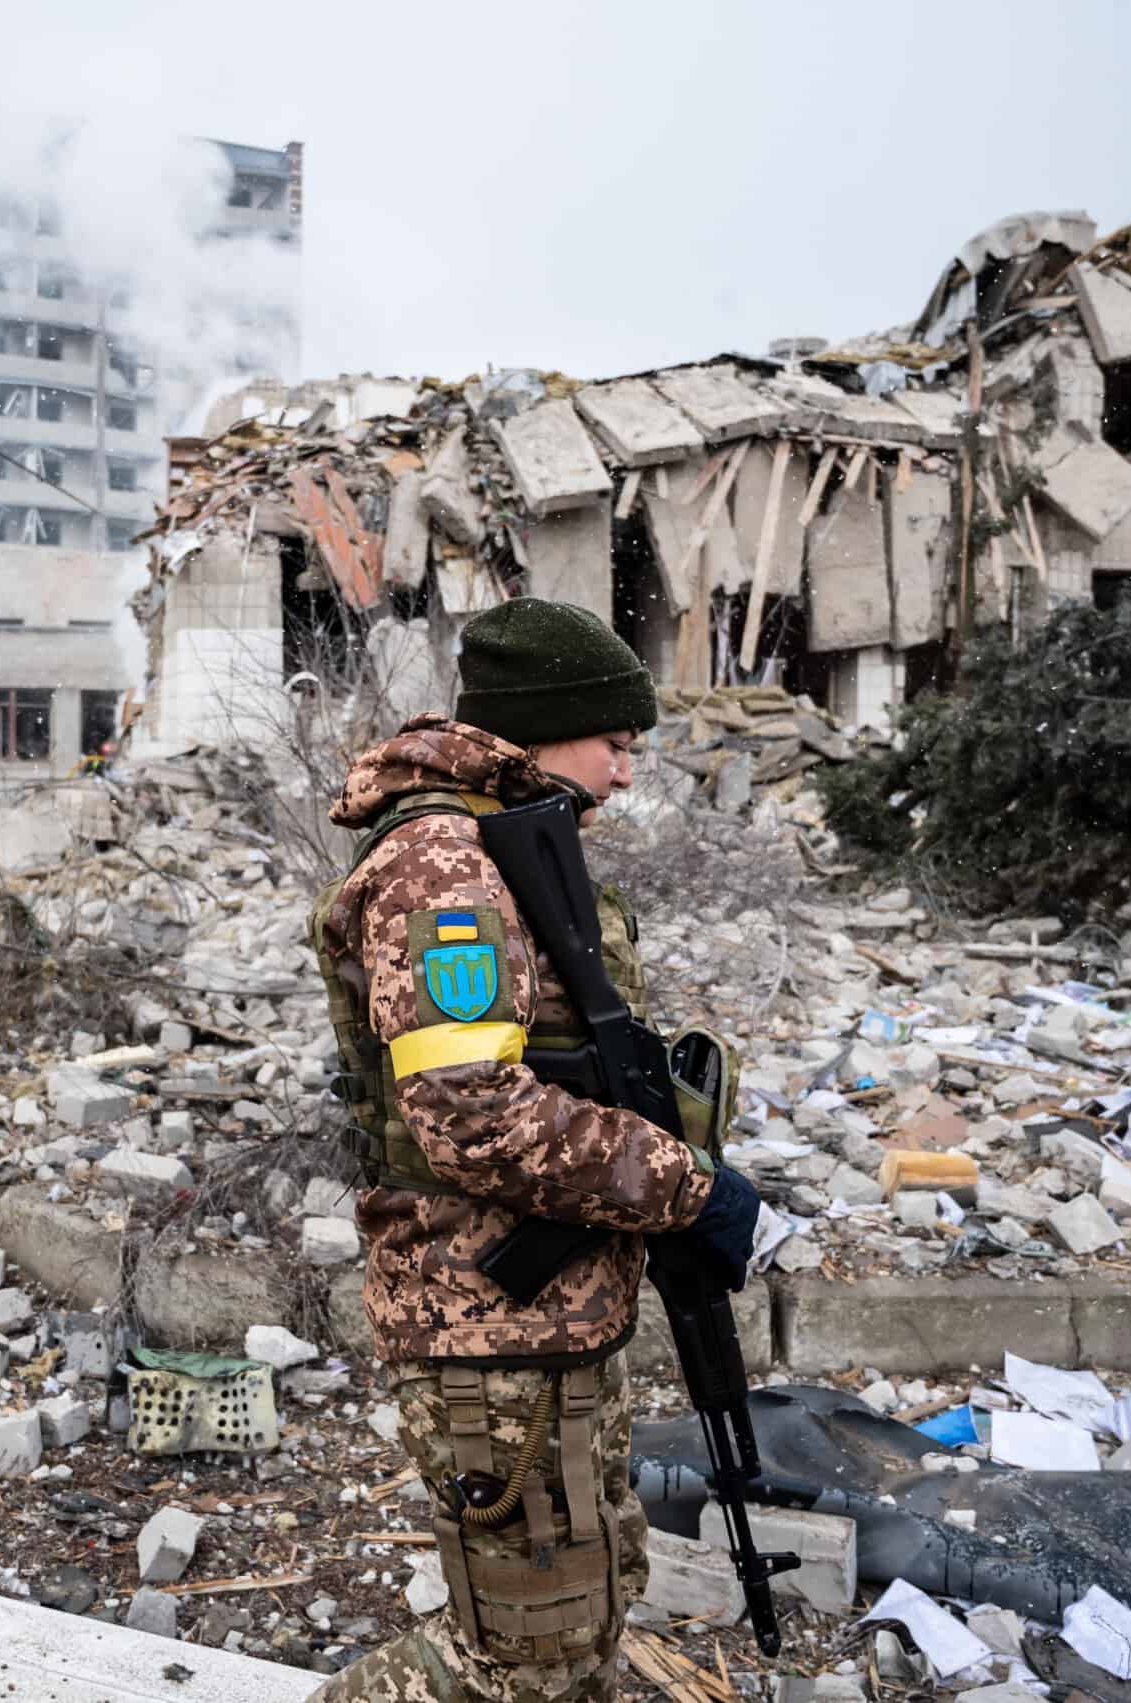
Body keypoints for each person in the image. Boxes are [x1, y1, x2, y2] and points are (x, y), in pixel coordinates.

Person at [308, 601, 761, 1703]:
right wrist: (682, 1186)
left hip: (549, 1317)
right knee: (520, 1658)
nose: (624, 774)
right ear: (544, 729)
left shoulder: (515, 850)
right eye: (615, 743)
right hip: (486, 1323)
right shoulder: (443, 869)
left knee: (585, 1622)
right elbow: (464, 1111)